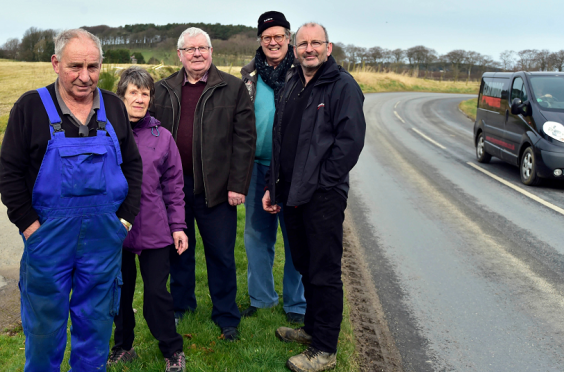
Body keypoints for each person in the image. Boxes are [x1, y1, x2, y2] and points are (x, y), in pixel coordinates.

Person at [0, 29, 142, 371]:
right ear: (55, 63)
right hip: (47, 239)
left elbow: (134, 164)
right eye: (75, 66)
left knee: (95, 327)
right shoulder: (31, 107)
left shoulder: (114, 107)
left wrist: (124, 219)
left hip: (103, 239)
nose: (85, 76)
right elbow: (9, 171)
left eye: (93, 66)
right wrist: (30, 226)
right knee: (44, 330)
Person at [263, 23, 366, 372]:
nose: (309, 48)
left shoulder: (342, 85)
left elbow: (349, 143)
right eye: (302, 43)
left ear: (328, 47)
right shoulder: (292, 83)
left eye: (315, 43)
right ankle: (310, 329)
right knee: (304, 265)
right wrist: (273, 185)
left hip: (322, 197)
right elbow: (280, 139)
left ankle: (325, 349)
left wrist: (322, 183)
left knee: (324, 271)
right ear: (295, 50)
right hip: (292, 195)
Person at [151, 27, 256, 341]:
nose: (197, 54)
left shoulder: (234, 88)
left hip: (218, 187)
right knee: (179, 251)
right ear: (179, 54)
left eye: (203, 48)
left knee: (222, 254)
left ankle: (226, 315)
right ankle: (182, 306)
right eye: (190, 49)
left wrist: (238, 184)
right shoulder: (163, 89)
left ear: (212, 52)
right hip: (174, 187)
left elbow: (244, 140)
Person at [107, 66, 188, 372]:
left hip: (154, 228)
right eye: (133, 92)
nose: (139, 99)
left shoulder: (162, 137)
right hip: (116, 231)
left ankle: (172, 350)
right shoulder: (105, 134)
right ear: (121, 95)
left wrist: (178, 226)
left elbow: (174, 186)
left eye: (145, 93)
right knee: (120, 292)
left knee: (156, 293)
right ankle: (123, 346)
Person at [240, 11, 306, 323]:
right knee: (256, 235)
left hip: (293, 169)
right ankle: (262, 300)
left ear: (288, 39)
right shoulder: (248, 75)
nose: (273, 42)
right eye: (267, 37)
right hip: (256, 166)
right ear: (260, 41)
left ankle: (297, 304)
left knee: (295, 236)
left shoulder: (304, 72)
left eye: (279, 36)